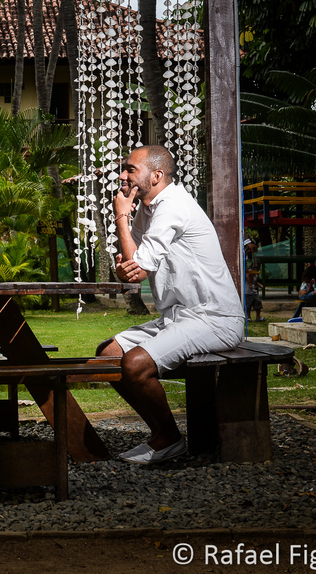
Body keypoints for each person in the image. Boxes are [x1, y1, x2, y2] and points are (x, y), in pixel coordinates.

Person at [97, 145, 244, 464]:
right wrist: (127, 262)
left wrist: (121, 214)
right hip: (178, 317)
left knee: (135, 365)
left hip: (214, 319)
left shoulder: (173, 206)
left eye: (131, 169)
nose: (123, 175)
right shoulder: (149, 209)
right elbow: (131, 263)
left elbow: (136, 270)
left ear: (157, 175)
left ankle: (169, 439)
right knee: (107, 356)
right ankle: (162, 433)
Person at [244, 238, 263, 321]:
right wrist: (251, 285)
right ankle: (248, 317)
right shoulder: (243, 255)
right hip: (248, 290)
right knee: (248, 304)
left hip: (254, 290)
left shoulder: (255, 273)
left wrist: (258, 284)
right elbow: (247, 275)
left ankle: (258, 317)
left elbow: (254, 280)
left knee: (257, 302)